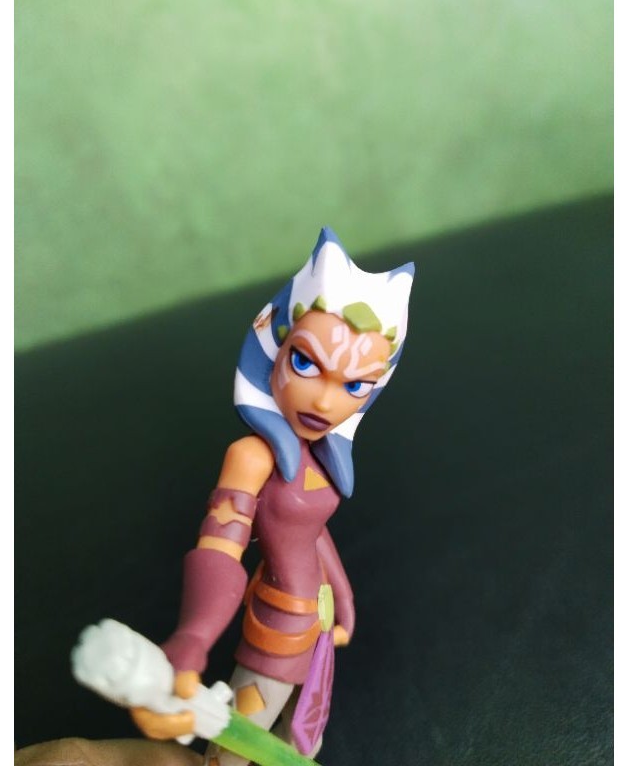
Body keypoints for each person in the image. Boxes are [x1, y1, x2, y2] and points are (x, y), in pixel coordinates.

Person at [132, 228, 414, 765]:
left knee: (303, 741)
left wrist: (345, 599)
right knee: (233, 749)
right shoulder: (252, 456)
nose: (324, 402)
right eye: (306, 364)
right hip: (278, 625)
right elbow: (222, 546)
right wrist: (195, 635)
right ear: (274, 347)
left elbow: (312, 533)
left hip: (319, 626)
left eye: (354, 385)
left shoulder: (322, 455)